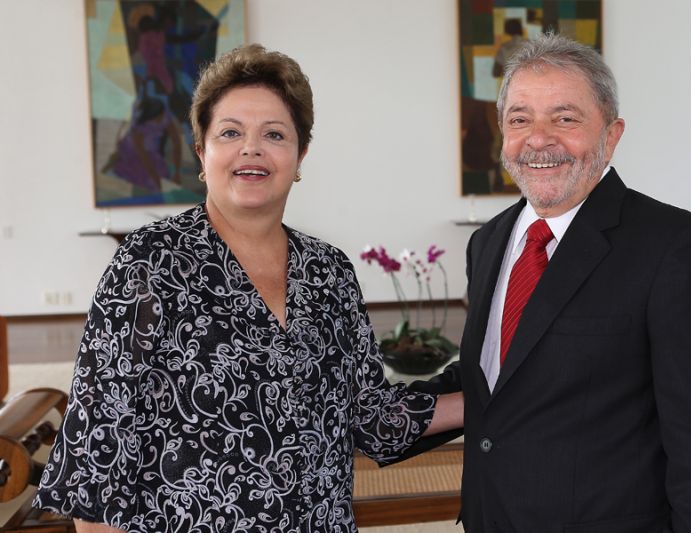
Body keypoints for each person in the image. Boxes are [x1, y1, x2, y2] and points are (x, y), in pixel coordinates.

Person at [34, 44, 463, 533]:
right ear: (202, 151)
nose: (251, 149)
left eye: (274, 134)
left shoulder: (329, 272)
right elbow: (98, 458)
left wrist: (490, 396)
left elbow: (370, 419)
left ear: (300, 154)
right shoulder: (149, 264)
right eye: (230, 132)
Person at [405, 33, 691, 532]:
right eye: (520, 119)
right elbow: (496, 377)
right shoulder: (488, 242)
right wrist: (366, 415)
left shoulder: (680, 249)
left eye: (565, 118)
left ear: (611, 135)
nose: (538, 139)